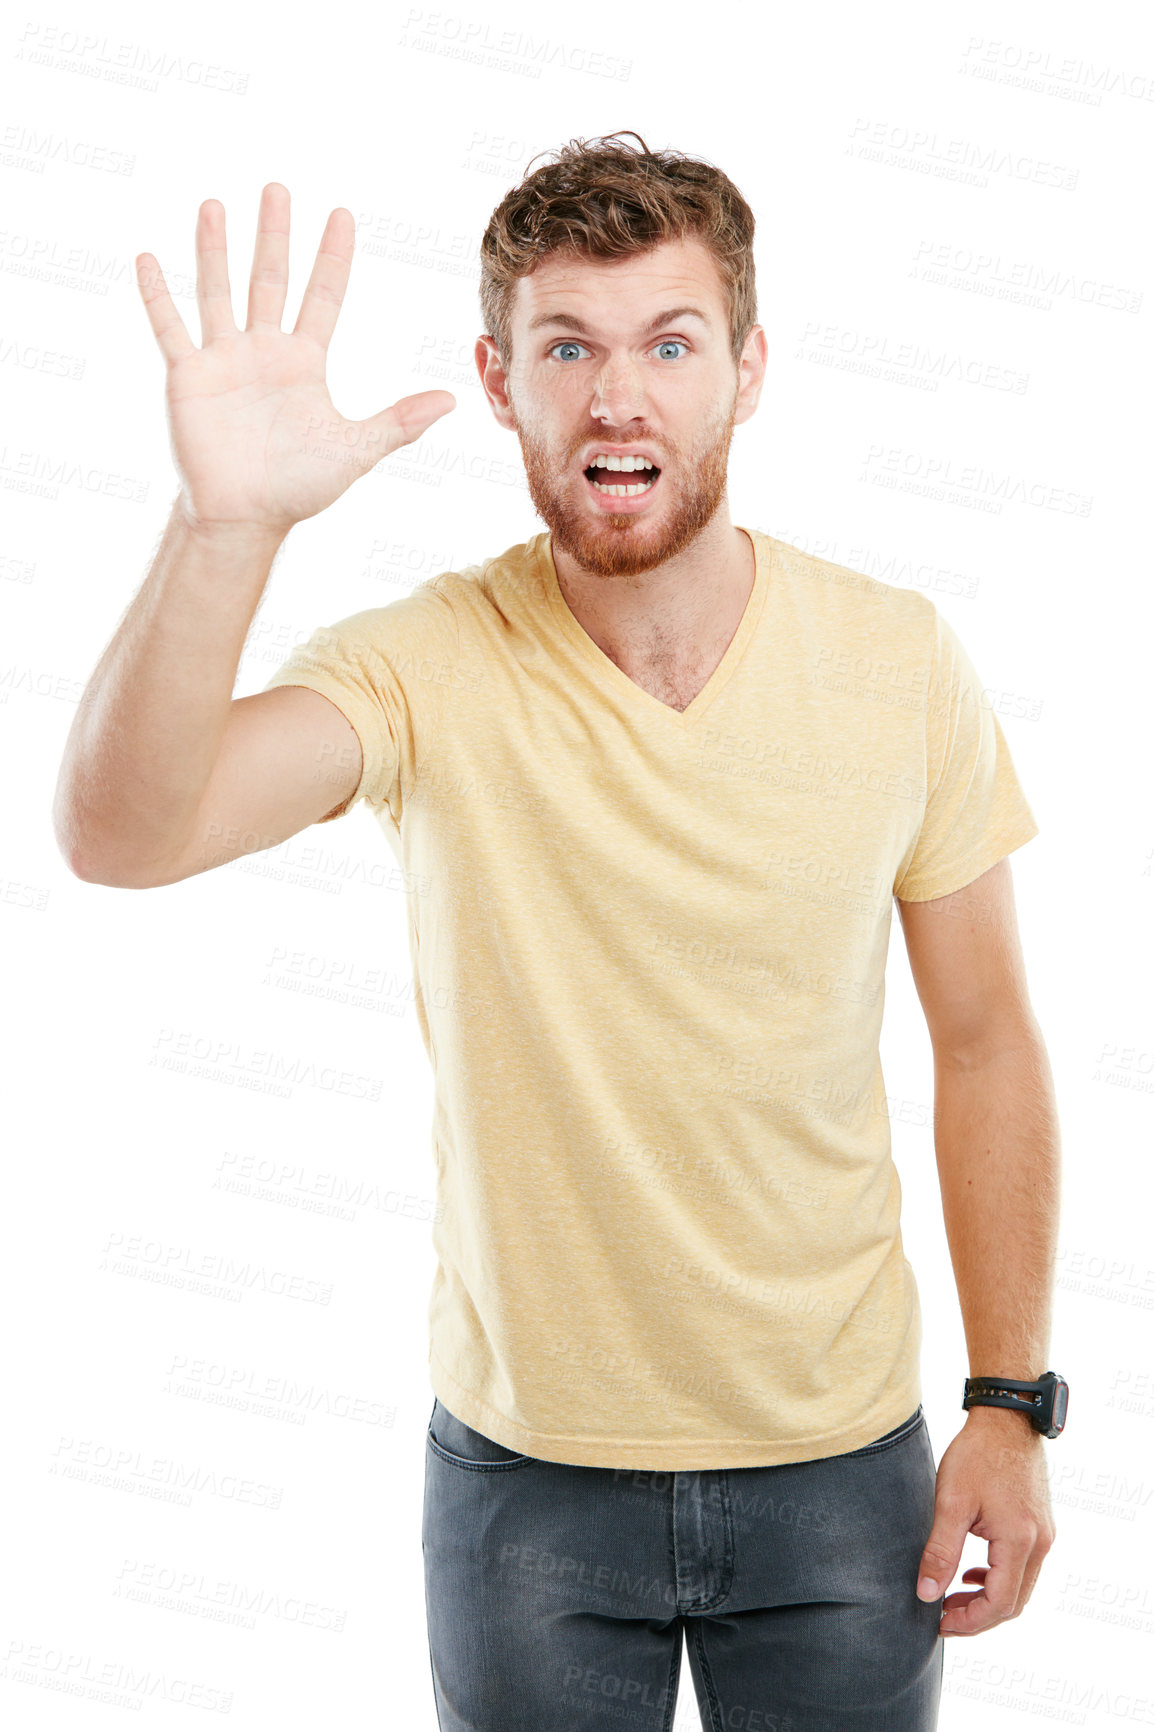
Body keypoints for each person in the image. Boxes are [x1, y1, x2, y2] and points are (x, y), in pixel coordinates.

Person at [55, 133, 1060, 1730]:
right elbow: (120, 836)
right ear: (498, 378)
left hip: (839, 1472)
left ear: (746, 371)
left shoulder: (894, 658)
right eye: (566, 347)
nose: (618, 396)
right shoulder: (423, 663)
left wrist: (1008, 1406)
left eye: (669, 344)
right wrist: (224, 529)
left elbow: (987, 1035)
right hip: (527, 1485)